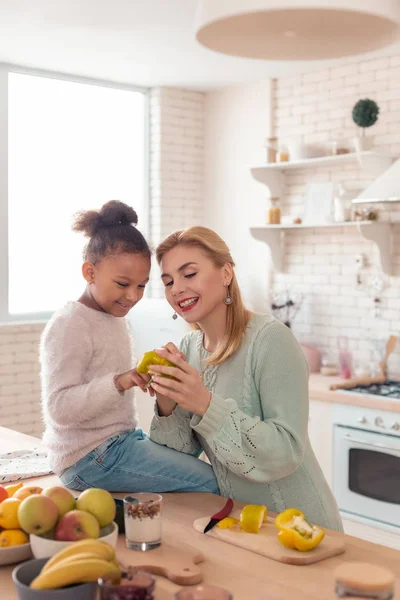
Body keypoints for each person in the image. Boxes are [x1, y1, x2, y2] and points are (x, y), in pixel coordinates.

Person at [148, 226, 343, 531]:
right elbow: (178, 457)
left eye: (189, 274)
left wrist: (206, 404)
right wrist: (167, 400)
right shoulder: (188, 350)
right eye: (168, 281)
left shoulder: (270, 340)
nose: (176, 289)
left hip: (302, 526)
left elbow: (286, 452)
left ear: (226, 273)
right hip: (243, 525)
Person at [40, 201, 219, 494]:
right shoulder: (70, 324)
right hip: (88, 459)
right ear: (89, 272)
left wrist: (140, 377)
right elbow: (59, 408)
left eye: (141, 285)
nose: (132, 296)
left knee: (190, 453)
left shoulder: (111, 316)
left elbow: (109, 388)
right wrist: (120, 382)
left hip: (117, 443)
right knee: (211, 482)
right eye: (123, 283)